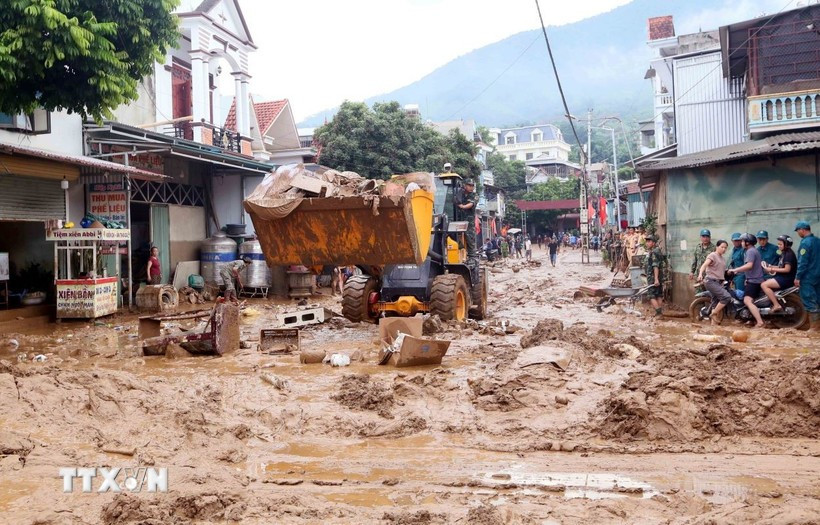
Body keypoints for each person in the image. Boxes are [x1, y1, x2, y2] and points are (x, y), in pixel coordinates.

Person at [728, 233, 765, 328]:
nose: (741, 243)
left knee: (747, 300)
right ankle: (751, 319)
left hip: (754, 281)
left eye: (743, 241)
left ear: (747, 242)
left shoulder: (750, 251)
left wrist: (735, 270)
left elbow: (749, 265)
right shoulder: (752, 250)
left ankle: (760, 322)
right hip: (753, 279)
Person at [697, 239, 732, 324]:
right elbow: (704, 265)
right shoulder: (713, 255)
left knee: (715, 303)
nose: (724, 249)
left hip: (718, 282)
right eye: (722, 247)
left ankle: (713, 326)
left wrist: (723, 280)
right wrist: (700, 274)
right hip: (710, 281)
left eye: (725, 248)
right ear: (717, 247)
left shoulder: (723, 259)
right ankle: (714, 313)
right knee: (726, 297)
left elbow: (720, 272)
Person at [794, 221, 820, 328]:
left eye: (798, 231)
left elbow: (802, 262)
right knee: (818, 299)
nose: (798, 233)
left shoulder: (805, 243)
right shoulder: (817, 241)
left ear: (802, 230)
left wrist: (798, 277)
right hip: (818, 275)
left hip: (807, 277)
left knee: (809, 299)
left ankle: (814, 328)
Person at [761, 235, 797, 311]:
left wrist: (771, 269)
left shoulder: (788, 255)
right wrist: (770, 266)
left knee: (764, 285)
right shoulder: (784, 253)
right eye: (778, 244)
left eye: (780, 244)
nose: (778, 246)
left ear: (786, 245)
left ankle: (776, 305)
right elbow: (781, 266)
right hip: (782, 277)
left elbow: (787, 269)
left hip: (786, 279)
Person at [455, 177, 478, 259]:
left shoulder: (474, 195)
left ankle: (472, 257)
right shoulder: (459, 192)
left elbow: (471, 204)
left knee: (470, 238)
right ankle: (461, 249)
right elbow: (456, 200)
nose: (471, 187)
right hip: (458, 219)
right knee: (453, 235)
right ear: (465, 185)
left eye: (472, 186)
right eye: (469, 185)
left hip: (469, 222)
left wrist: (463, 206)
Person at [644, 234, 665, 317]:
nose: (647, 243)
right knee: (658, 294)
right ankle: (659, 312)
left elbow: (655, 266)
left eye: (649, 241)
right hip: (659, 277)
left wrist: (656, 279)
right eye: (647, 241)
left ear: (653, 243)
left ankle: (659, 313)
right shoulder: (658, 251)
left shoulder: (654, 252)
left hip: (653, 277)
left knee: (651, 295)